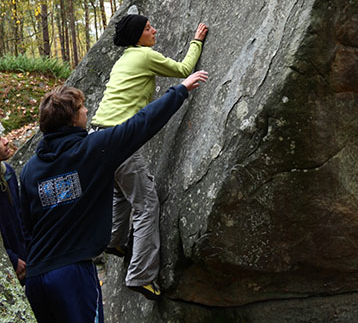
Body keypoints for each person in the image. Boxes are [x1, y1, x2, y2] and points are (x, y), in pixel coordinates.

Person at [20, 72, 208, 323]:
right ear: (73, 119)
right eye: (82, 108)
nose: (87, 110)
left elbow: (27, 226)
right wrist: (180, 90)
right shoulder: (92, 149)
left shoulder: (30, 169)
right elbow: (140, 125)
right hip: (72, 275)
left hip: (36, 279)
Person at [91, 14, 208, 299]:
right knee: (146, 205)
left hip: (96, 137)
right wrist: (197, 41)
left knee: (121, 193)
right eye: (147, 28)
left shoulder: (124, 60)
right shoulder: (143, 56)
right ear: (137, 36)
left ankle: (115, 240)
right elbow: (183, 69)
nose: (154, 30)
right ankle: (141, 276)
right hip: (121, 140)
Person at [0, 129, 27, 283]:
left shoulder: (7, 172)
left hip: (26, 255)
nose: (6, 141)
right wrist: (12, 259)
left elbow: (20, 213)